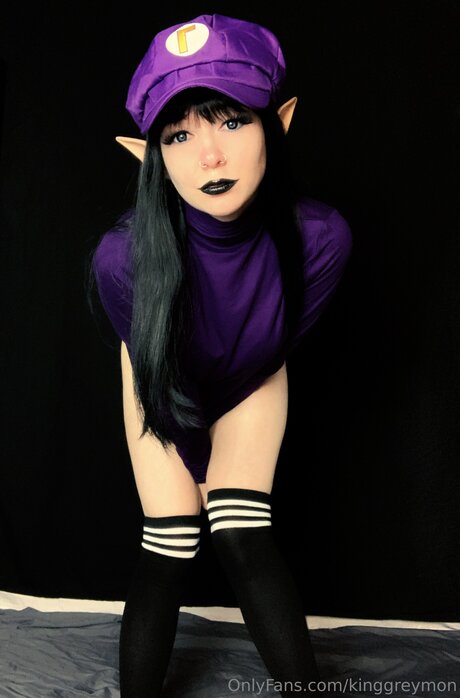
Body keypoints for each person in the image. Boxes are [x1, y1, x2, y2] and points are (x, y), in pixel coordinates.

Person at [89, 13, 353, 697]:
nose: (209, 157)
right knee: (172, 539)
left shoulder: (321, 238)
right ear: (148, 155)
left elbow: (275, 343)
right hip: (163, 377)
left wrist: (227, 477)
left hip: (249, 368)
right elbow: (158, 372)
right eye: (179, 135)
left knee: (240, 532)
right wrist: (197, 463)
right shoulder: (122, 261)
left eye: (232, 122)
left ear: (278, 122)